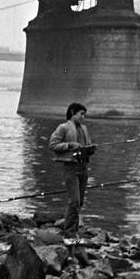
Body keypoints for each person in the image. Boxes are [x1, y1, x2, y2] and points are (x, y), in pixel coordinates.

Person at [47, 102, 96, 238]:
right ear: (73, 112)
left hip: (83, 168)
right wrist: (70, 145)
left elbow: (87, 145)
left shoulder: (84, 129)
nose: (83, 117)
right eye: (81, 114)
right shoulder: (63, 128)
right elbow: (53, 145)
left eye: (84, 114)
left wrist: (90, 149)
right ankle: (69, 233)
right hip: (71, 168)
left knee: (80, 202)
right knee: (74, 201)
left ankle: (73, 231)